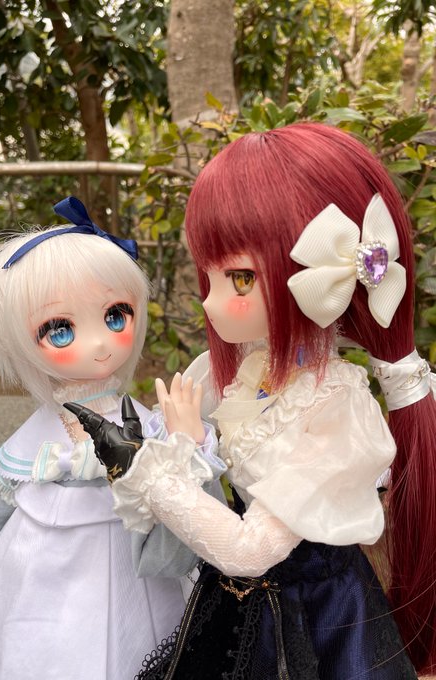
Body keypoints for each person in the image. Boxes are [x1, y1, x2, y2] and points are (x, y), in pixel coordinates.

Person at [80, 123, 436, 678]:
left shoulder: (336, 407)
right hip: (236, 604)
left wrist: (148, 472)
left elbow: (249, 550)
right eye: (210, 275)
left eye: (240, 279)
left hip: (317, 617)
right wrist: (187, 447)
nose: (211, 302)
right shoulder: (239, 370)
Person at [0, 197, 211, 679]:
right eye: (60, 329)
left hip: (135, 558)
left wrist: (187, 445)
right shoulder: (40, 445)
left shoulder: (140, 419)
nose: (98, 344)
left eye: (116, 316)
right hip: (48, 569)